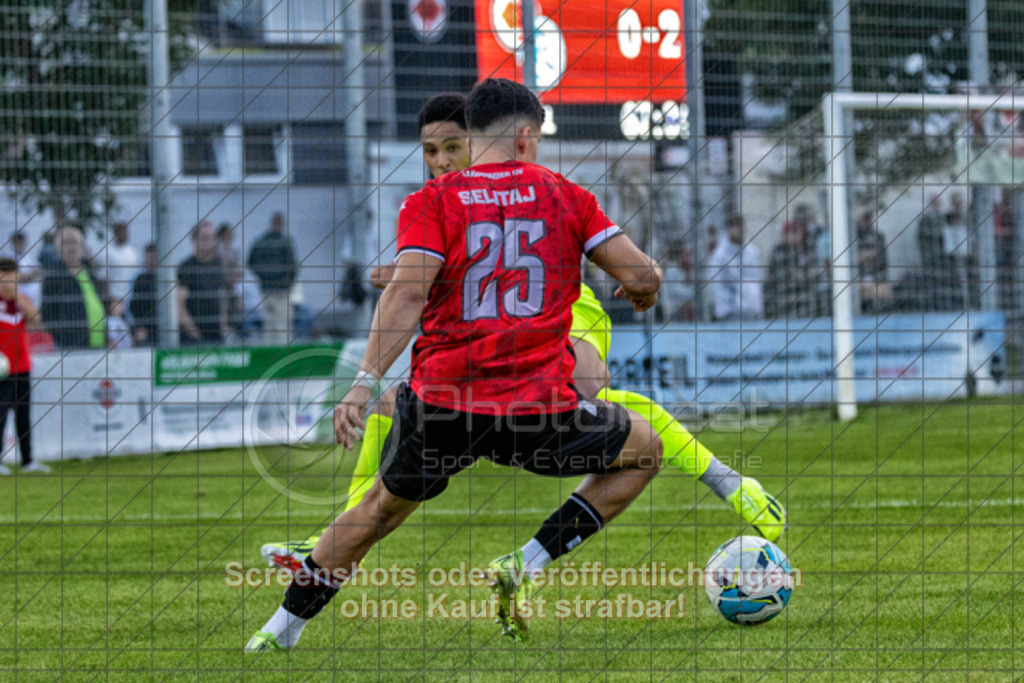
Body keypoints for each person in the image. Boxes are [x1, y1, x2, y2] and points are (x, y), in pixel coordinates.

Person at [245, 81, 785, 652]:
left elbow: (404, 295)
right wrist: (644, 290)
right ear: (527, 135)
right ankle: (525, 560)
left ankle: (278, 633)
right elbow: (643, 274)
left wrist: (361, 386)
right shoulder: (566, 196)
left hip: (444, 401)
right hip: (537, 409)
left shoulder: (431, 201)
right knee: (644, 450)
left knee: (379, 510)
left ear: (471, 134)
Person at [0, 258, 47, 474]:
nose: (11, 282)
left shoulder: (22, 300)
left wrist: (20, 298)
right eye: (6, 277)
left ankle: (28, 460)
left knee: (23, 415)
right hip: (2, 370)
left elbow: (37, 321)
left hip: (22, 367)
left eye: (14, 277)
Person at [41, 227, 107, 350]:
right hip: (71, 346)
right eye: (65, 243)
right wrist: (64, 339)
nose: (70, 247)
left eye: (74, 242)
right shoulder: (53, 278)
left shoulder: (90, 274)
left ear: (82, 248)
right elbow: (48, 315)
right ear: (58, 249)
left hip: (98, 343)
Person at [247, 212, 297, 345]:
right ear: (281, 224)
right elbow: (293, 266)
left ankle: (270, 355)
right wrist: (288, 282)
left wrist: (263, 276)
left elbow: (250, 262)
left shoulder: (260, 242)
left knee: (269, 324)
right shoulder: (285, 242)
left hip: (266, 288)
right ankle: (282, 356)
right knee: (282, 325)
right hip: (282, 290)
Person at [177, 220, 228, 345]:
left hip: (217, 334)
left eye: (211, 238)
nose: (208, 242)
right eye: (204, 238)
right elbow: (180, 306)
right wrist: (193, 331)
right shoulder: (186, 268)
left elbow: (223, 299)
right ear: (194, 240)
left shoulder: (219, 265)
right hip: (193, 338)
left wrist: (224, 325)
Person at [706, 214, 763, 321]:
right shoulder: (719, 256)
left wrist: (757, 306)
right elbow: (716, 286)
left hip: (752, 312)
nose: (738, 230)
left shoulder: (752, 252)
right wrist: (726, 310)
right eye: (734, 226)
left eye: (740, 225)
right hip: (730, 314)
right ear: (728, 229)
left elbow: (757, 281)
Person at [765, 217, 823, 319]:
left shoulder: (806, 252)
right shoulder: (777, 254)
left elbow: (814, 275)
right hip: (783, 307)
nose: (794, 236)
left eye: (796, 233)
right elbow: (771, 281)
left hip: (805, 308)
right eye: (790, 233)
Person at [94, 222, 140, 306]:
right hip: (114, 297)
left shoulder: (132, 252)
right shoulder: (108, 253)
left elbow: (136, 274)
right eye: (122, 231)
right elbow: (103, 278)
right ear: (116, 233)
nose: (124, 234)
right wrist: (108, 298)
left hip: (131, 296)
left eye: (126, 231)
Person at [129, 244, 158, 346]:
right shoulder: (140, 279)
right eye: (149, 257)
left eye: (154, 257)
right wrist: (140, 327)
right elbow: (134, 307)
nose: (151, 260)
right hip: (146, 328)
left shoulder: (168, 278)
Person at [6, 231, 42, 307]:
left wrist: (26, 276)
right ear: (13, 244)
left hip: (33, 300)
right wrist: (29, 276)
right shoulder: (9, 260)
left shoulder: (30, 258)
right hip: (17, 300)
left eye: (21, 242)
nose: (20, 245)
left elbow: (40, 271)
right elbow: (17, 277)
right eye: (17, 243)